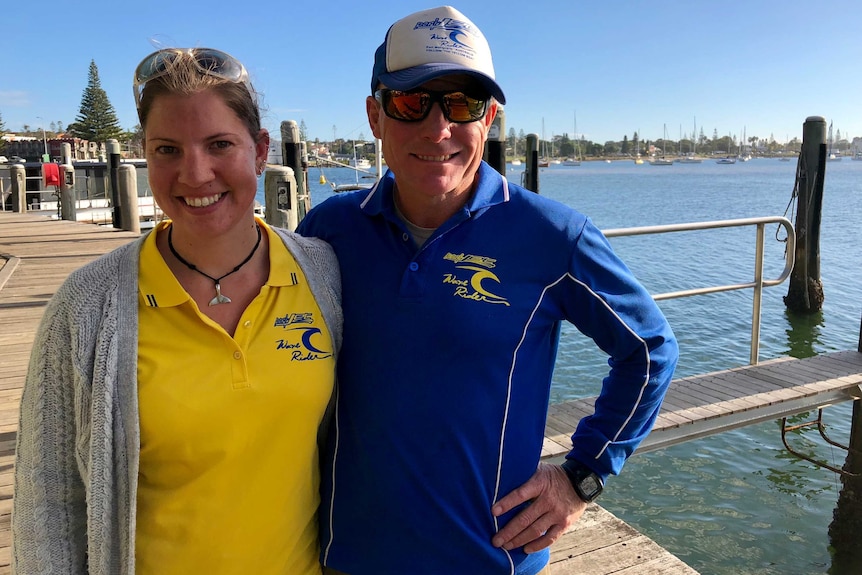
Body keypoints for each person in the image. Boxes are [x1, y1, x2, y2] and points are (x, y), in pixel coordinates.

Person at [296, 6, 679, 575]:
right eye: (411, 102)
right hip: (348, 556)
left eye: (461, 103)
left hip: (489, 559)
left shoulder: (552, 236)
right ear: (375, 116)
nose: (437, 128)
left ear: (490, 117)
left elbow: (648, 351)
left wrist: (582, 476)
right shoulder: (328, 231)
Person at [12, 47, 342, 575]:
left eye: (219, 145)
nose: (195, 173)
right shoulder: (87, 304)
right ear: (145, 153)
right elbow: (48, 498)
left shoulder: (322, 274)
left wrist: (525, 471)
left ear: (259, 152)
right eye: (167, 149)